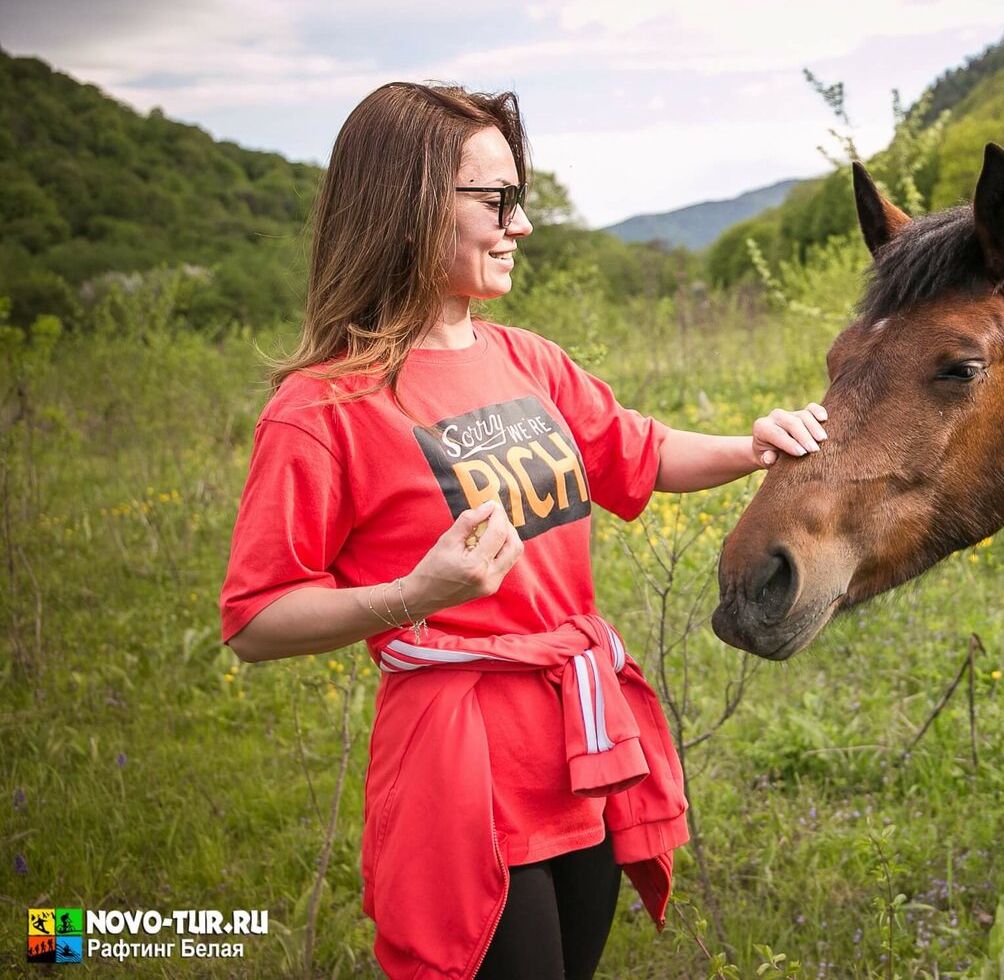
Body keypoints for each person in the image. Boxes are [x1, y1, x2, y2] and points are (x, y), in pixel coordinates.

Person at [218, 82, 829, 980]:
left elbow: (641, 452)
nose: (522, 224)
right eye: (496, 201)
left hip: (578, 748)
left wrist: (753, 445)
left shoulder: (525, 359)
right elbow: (253, 619)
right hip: (459, 771)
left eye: (521, 199)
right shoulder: (322, 409)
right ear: (411, 205)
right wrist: (411, 595)